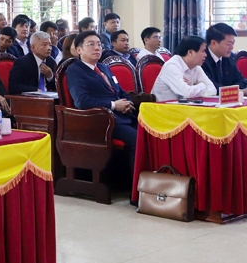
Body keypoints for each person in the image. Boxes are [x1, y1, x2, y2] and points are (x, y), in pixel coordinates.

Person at [66, 30, 137, 169]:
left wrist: (128, 103)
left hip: (123, 116)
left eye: (99, 44)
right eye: (91, 44)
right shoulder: (75, 70)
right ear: (79, 50)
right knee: (138, 139)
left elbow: (120, 91)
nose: (97, 47)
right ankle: (136, 186)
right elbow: (82, 101)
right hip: (102, 120)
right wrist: (114, 105)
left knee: (153, 132)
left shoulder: (104, 67)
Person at [151, 35, 217, 102]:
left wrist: (192, 87)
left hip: (184, 107)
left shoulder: (196, 67)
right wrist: (202, 84)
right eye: (203, 51)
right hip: (164, 109)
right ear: (190, 52)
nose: (205, 55)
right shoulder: (172, 66)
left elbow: (213, 90)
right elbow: (188, 93)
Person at [202, 23, 247, 91]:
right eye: (228, 44)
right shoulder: (201, 60)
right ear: (214, 43)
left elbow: (242, 81)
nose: (232, 47)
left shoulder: (230, 57)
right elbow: (210, 86)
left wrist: (231, 91)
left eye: (233, 43)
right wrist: (233, 91)